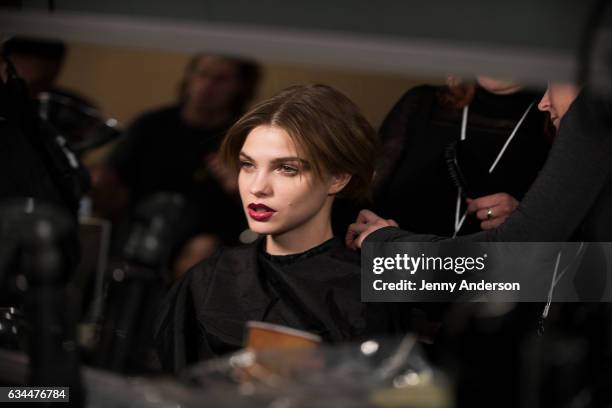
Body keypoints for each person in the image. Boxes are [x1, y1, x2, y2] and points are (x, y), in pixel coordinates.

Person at [153, 84, 384, 374]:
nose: (258, 187)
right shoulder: (205, 281)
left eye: (287, 168)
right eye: (247, 165)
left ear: (337, 178)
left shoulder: (370, 286)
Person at [347, 83, 612, 246]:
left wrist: (383, 246)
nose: (544, 103)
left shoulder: (592, 114)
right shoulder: (420, 103)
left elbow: (514, 254)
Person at [107, 54, 261, 277]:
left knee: (200, 254)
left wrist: (238, 185)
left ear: (240, 87)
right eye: (202, 75)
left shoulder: (246, 137)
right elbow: (115, 181)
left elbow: (262, 206)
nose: (207, 86)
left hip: (207, 234)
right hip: (141, 224)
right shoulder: (153, 124)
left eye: (221, 79)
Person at [374, 76, 551, 237]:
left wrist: (523, 219)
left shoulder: (552, 120)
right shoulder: (421, 102)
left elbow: (561, 228)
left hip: (490, 268)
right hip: (400, 264)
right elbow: (366, 194)